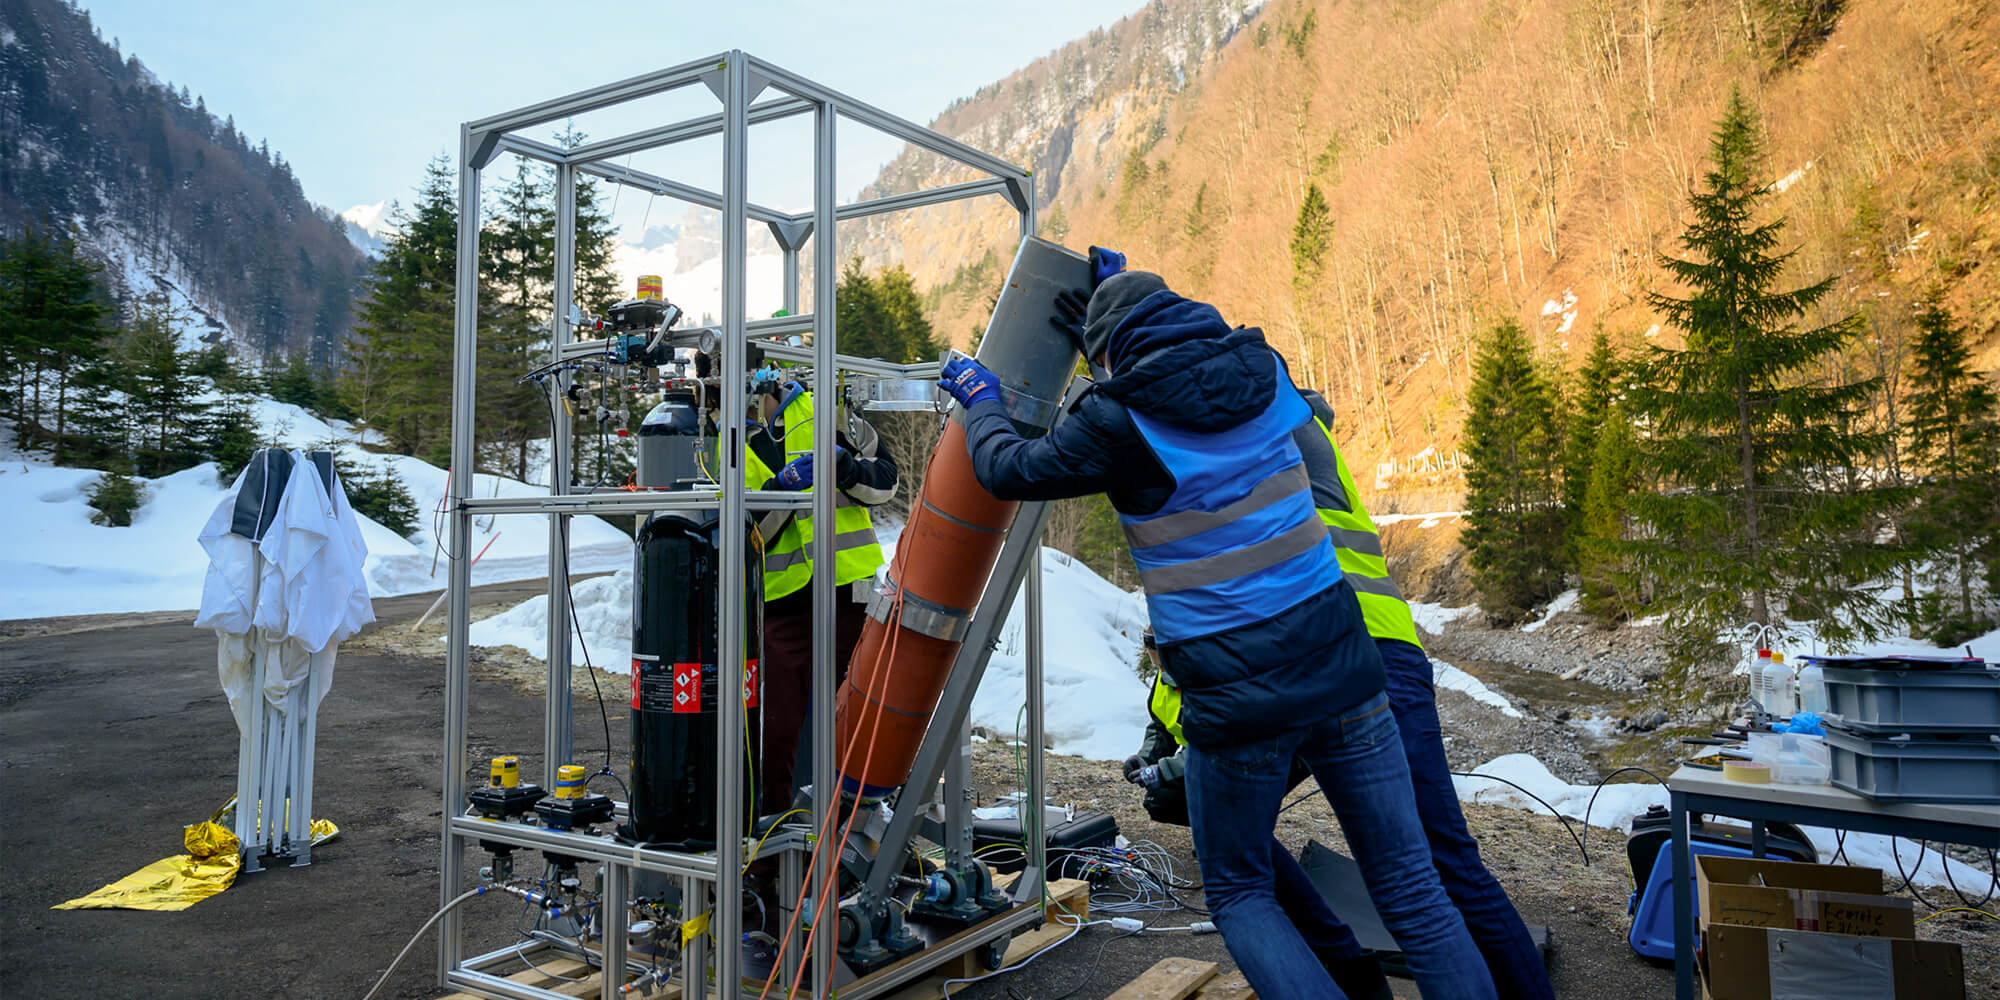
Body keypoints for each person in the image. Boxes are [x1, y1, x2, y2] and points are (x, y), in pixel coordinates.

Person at [936, 265, 1496, 1000]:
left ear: (1109, 355)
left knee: (1241, 892)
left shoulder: (1117, 420)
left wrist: (980, 400)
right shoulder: (1266, 371)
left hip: (1239, 702)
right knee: (1414, 892)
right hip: (1344, 671)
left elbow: (1009, 469)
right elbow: (1186, 368)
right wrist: (1117, 308)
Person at [1127, 627, 1396, 1000]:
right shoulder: (1172, 675)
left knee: (1240, 886)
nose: (1162, 669)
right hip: (1258, 738)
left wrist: (1167, 771)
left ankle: (1347, 967)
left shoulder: (1214, 671)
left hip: (1275, 746)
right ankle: (1347, 965)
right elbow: (1164, 725)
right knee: (1235, 851)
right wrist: (1148, 759)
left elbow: (1218, 744)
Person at [731, 365, 898, 816]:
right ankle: (770, 832)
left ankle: (858, 825)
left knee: (862, 714)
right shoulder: (726, 441)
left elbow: (886, 481)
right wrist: (780, 491)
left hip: (850, 591)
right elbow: (741, 533)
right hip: (782, 602)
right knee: (773, 728)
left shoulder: (830, 412)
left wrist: (846, 468)